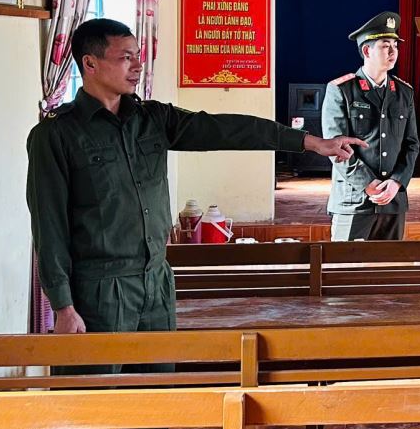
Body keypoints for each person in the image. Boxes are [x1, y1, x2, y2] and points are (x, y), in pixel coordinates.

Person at [27, 18, 365, 338]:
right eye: (125, 57)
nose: (138, 66)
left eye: (138, 56)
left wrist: (311, 143)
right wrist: (63, 305)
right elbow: (49, 226)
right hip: (98, 289)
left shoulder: (151, 119)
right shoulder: (57, 135)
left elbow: (228, 129)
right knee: (97, 380)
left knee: (162, 377)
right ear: (90, 63)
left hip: (157, 280)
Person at [324, 10, 420, 239]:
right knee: (345, 262)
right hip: (354, 200)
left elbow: (412, 144)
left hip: (392, 201)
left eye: (395, 45)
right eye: (385, 46)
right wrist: (369, 183)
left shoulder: (404, 93)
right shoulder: (342, 90)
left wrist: (396, 182)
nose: (393, 51)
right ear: (367, 51)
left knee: (389, 262)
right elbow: (336, 148)